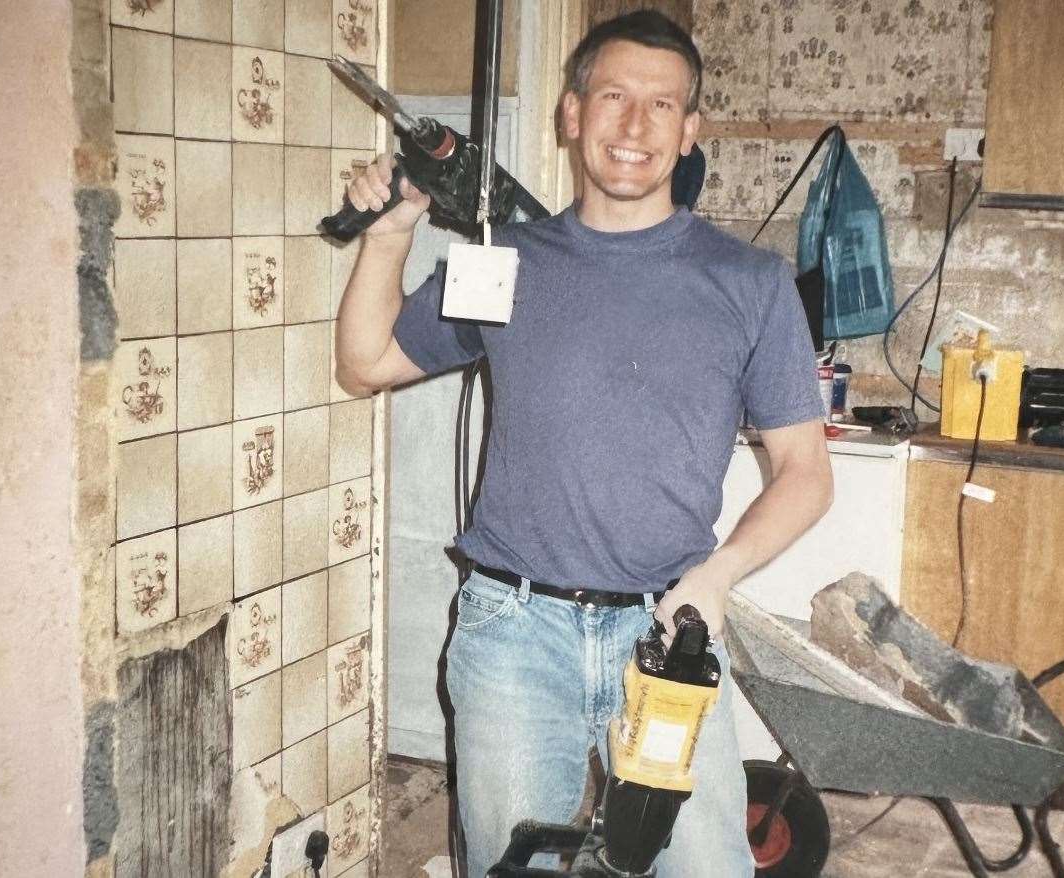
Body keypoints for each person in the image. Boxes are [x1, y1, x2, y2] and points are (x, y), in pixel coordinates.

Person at [335, 11, 833, 876]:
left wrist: (712, 581)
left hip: (669, 633)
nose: (634, 126)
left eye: (660, 104)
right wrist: (390, 231)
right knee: (512, 864)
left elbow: (806, 474)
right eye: (612, 97)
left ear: (689, 131)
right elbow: (367, 362)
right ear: (571, 115)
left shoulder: (749, 283)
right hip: (513, 633)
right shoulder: (502, 259)